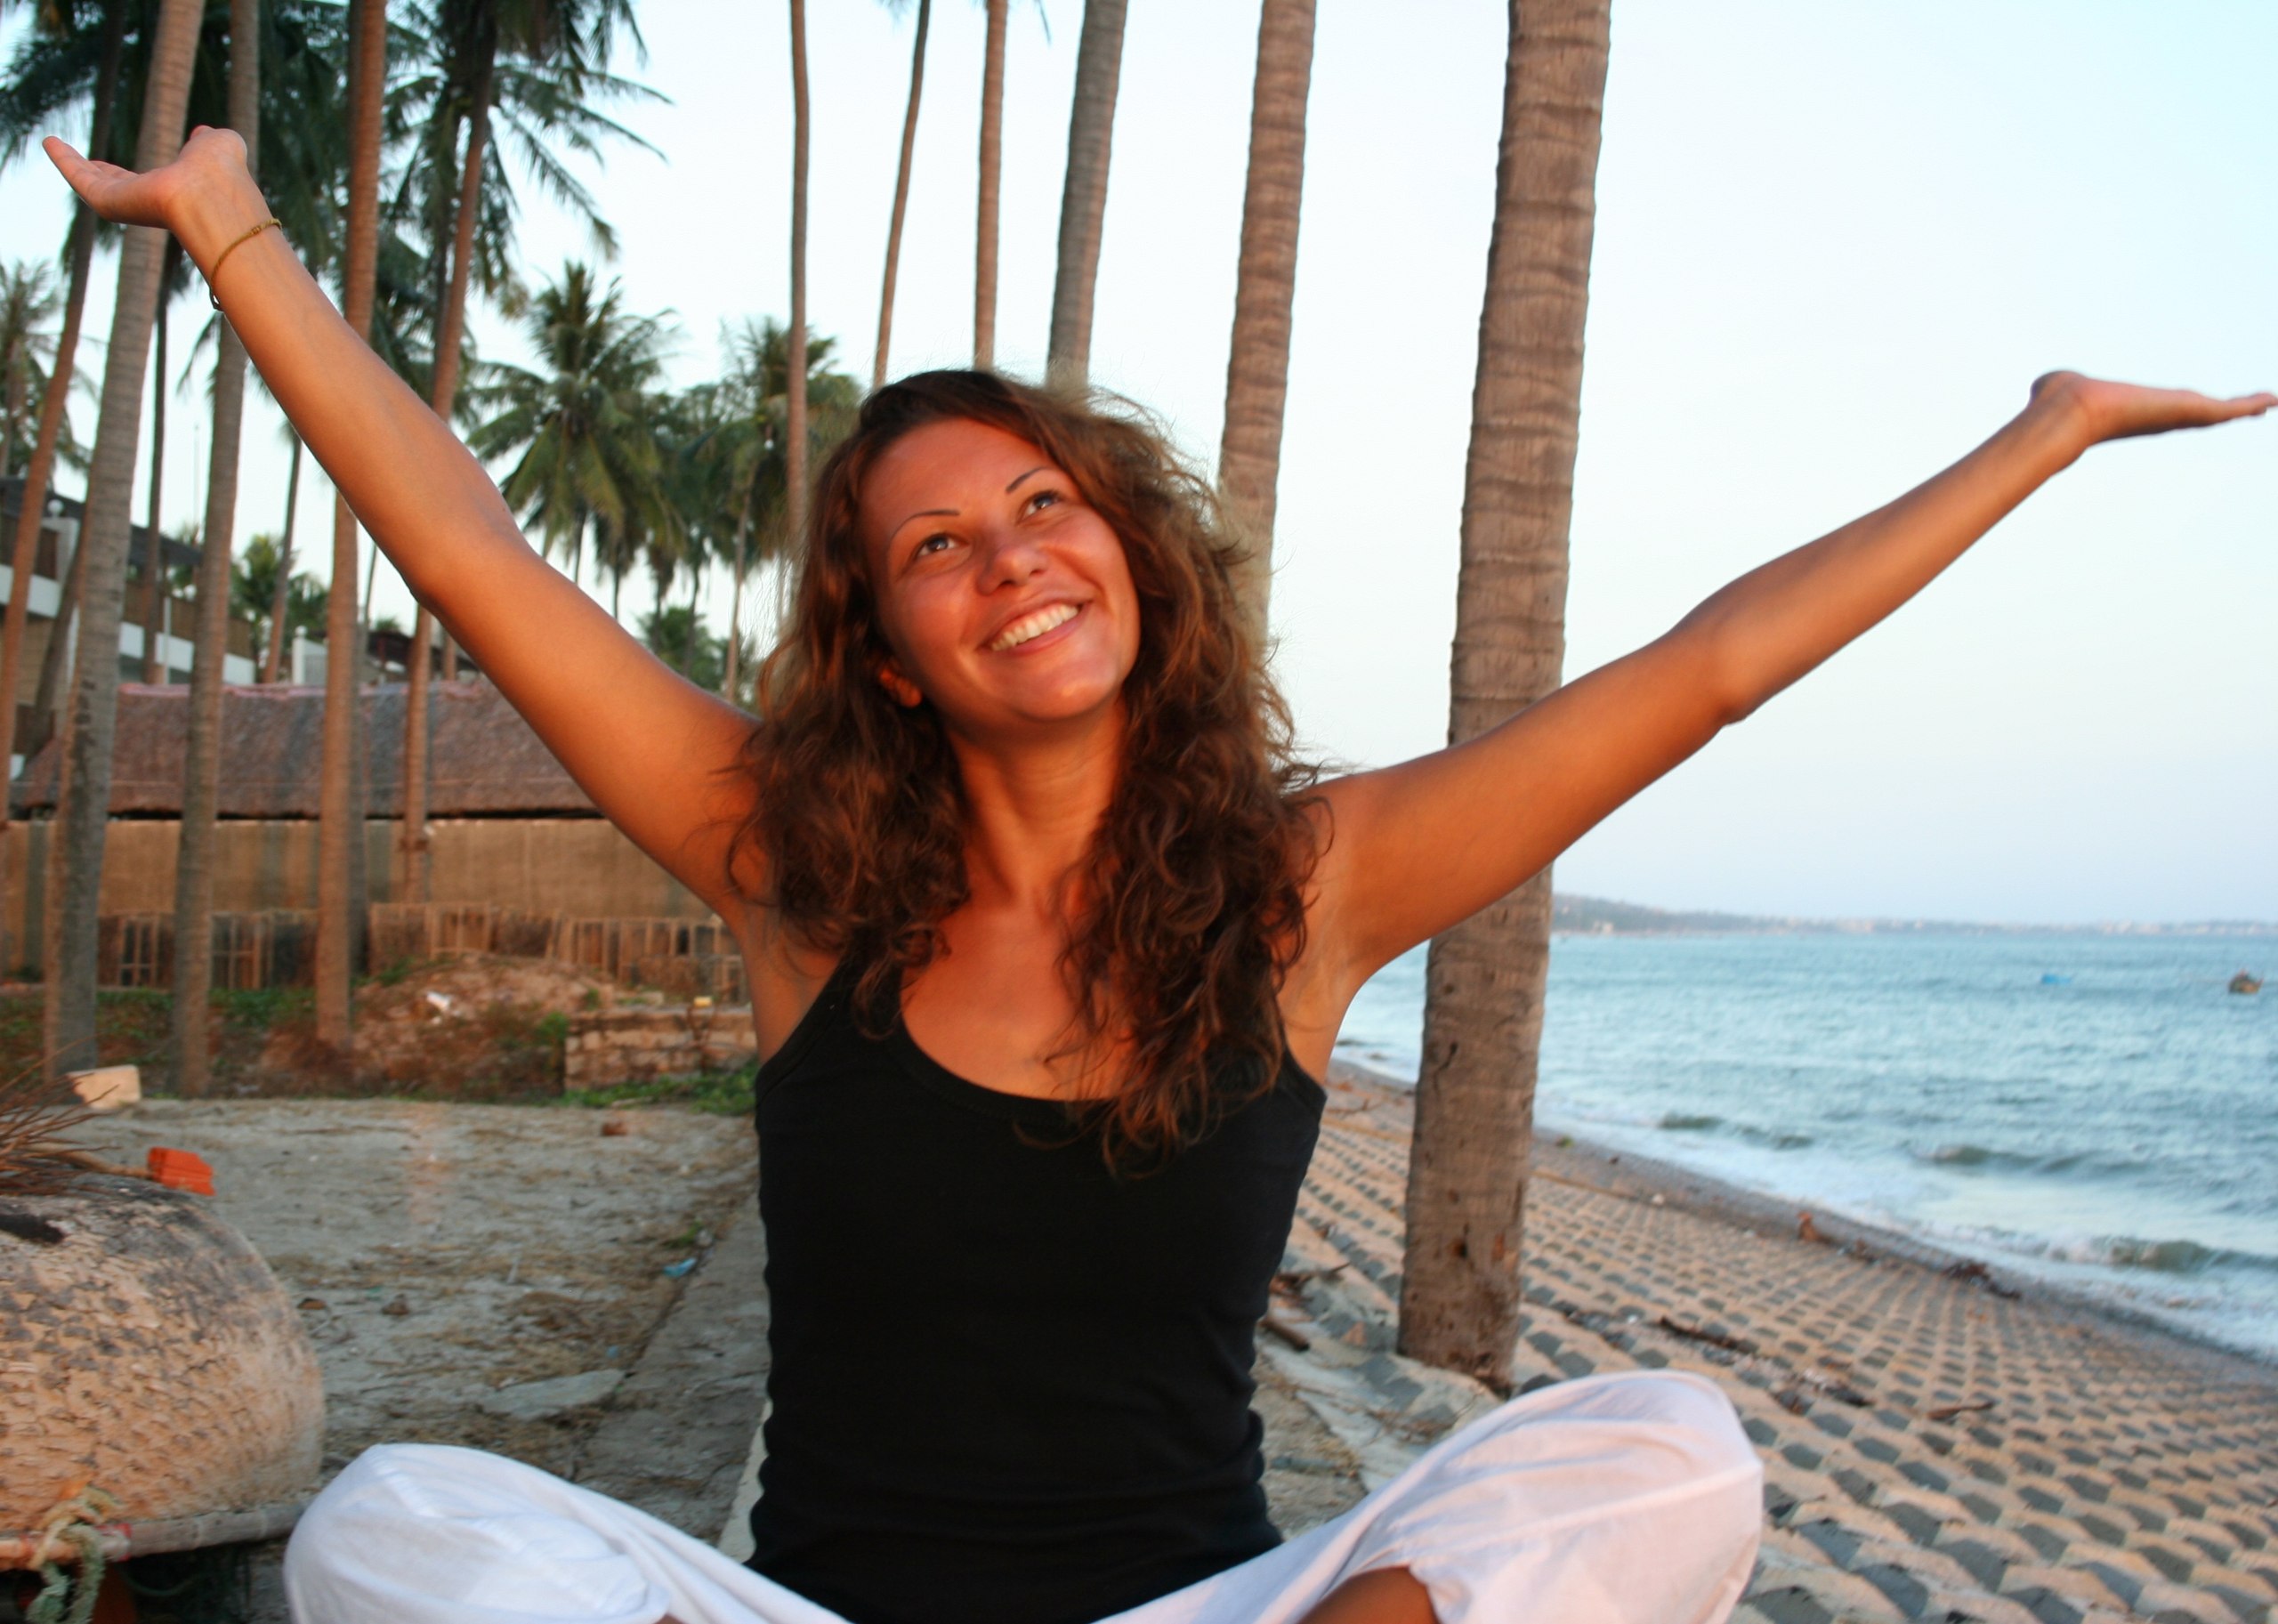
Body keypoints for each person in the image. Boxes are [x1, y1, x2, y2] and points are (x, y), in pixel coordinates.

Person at [44, 128, 2268, 1624]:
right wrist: (234, 227)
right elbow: (470, 553)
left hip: (1211, 1605)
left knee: (1664, 1448)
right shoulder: (792, 877)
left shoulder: (1312, 884)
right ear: (890, 653)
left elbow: (1701, 672)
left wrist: (2038, 431)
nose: (1009, 556)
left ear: (1125, 551)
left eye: (1043, 505)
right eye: (937, 543)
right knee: (392, 1527)